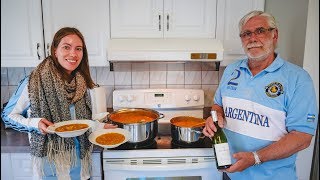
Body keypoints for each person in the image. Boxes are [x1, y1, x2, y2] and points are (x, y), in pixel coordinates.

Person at [202, 10, 318, 180]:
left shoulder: (298, 79)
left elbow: (302, 137)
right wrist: (215, 116)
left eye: (260, 31)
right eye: (246, 33)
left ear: (274, 34)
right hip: (231, 173)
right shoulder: (232, 70)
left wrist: (255, 158)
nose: (253, 38)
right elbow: (218, 106)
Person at [1, 27, 117, 180]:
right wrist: (36, 124)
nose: (73, 54)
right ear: (55, 50)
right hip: (51, 168)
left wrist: (100, 126)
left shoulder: (81, 83)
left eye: (78, 49)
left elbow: (79, 122)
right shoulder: (33, 82)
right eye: (66, 47)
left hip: (80, 167)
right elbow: (7, 116)